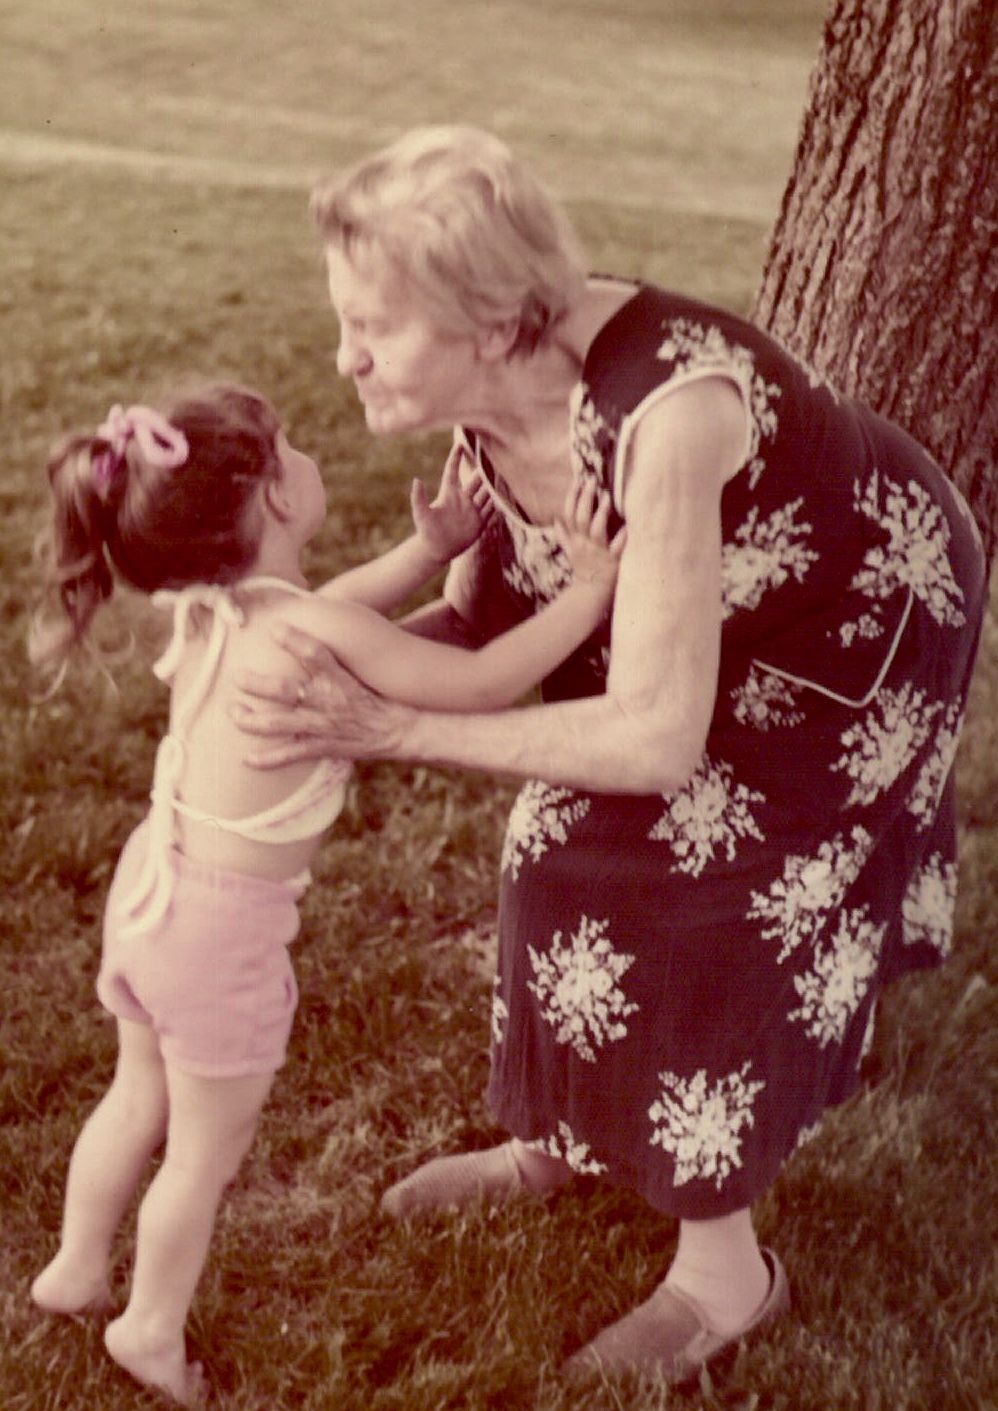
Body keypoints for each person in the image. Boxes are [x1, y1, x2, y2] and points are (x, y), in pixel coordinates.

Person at [229, 124, 988, 1386]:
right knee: (553, 842)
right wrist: (297, 680)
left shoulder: (666, 416)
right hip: (693, 637)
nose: (343, 356)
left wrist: (396, 730)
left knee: (715, 893)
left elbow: (650, 738)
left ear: (490, 324)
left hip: (853, 630)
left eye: (371, 327)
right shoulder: (492, 404)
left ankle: (722, 1277)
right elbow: (480, 624)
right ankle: (561, 1138)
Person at [27, 382, 623, 1405]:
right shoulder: (308, 630)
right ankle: (149, 1327)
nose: (304, 455)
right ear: (274, 497)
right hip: (219, 934)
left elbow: (338, 605)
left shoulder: (218, 611)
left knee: (135, 1096)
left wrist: (428, 550)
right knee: (201, 1154)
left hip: (151, 892)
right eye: (288, 446)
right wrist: (592, 590)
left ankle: (76, 1268)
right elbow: (484, 681)